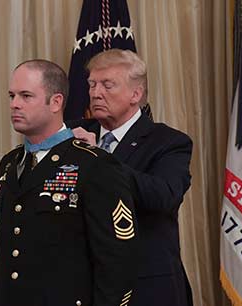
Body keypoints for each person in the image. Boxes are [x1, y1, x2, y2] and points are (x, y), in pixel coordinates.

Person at [0, 59, 139, 306]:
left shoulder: (94, 165)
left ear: (56, 102)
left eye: (26, 96)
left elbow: (118, 264)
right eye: (12, 95)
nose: (15, 104)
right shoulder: (9, 163)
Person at [70, 49, 194, 306]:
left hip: (145, 287)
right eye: (92, 84)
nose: (95, 93)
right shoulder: (72, 134)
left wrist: (98, 159)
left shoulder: (169, 142)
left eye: (107, 85)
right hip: (82, 285)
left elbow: (164, 196)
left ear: (135, 94)